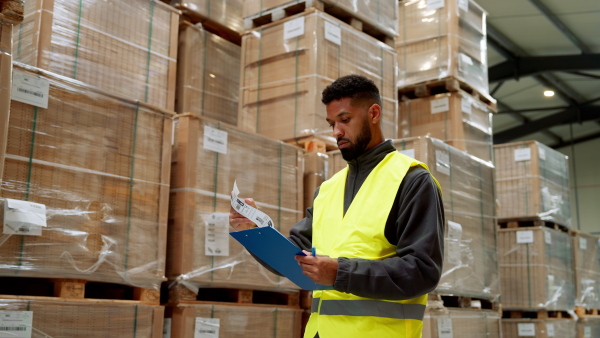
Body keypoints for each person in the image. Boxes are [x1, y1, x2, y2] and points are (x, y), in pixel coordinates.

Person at [230, 74, 444, 338]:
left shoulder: (411, 181)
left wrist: (340, 272)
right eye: (332, 123)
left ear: (373, 113)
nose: (336, 132)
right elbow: (291, 257)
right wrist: (253, 232)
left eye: (345, 120)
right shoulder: (328, 190)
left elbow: (422, 271)